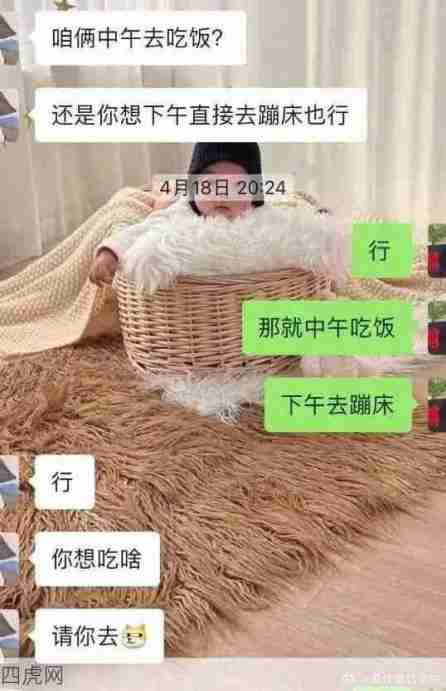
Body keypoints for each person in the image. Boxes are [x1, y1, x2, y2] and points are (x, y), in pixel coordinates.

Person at [89, 142, 348, 286]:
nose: (222, 194)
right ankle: (163, 198)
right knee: (162, 207)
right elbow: (142, 231)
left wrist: (318, 220)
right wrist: (110, 253)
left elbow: (288, 221)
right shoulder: (182, 212)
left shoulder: (260, 212)